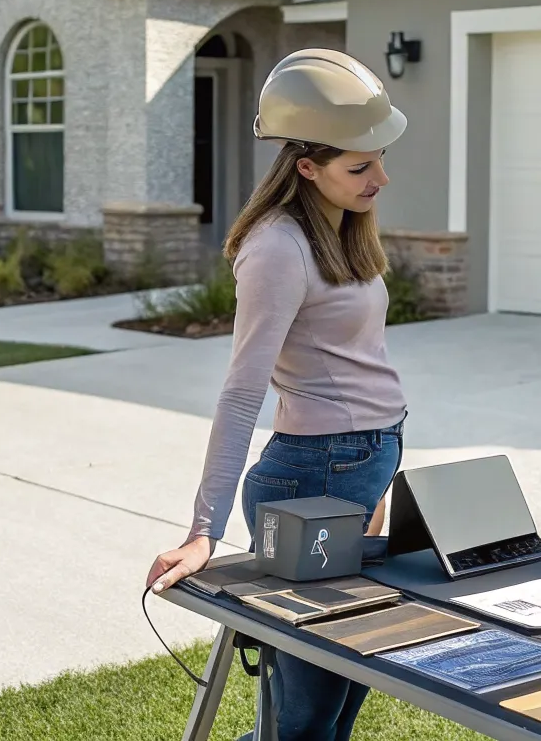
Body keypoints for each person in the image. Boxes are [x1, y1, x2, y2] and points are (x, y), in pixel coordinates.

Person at [147, 48, 409, 741]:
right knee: (304, 723)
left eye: (379, 159)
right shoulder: (277, 249)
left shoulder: (341, 228)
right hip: (313, 480)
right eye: (360, 166)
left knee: (340, 700)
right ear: (307, 167)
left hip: (359, 468)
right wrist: (203, 531)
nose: (380, 178)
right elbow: (241, 394)